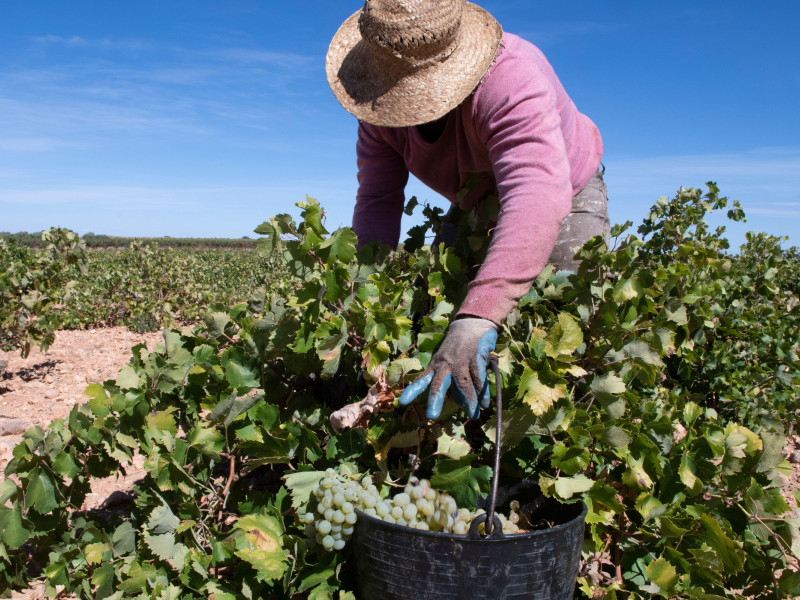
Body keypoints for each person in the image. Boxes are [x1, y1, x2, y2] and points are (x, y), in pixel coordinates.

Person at [326, 0, 608, 421]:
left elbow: (536, 195)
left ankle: (569, 423)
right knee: (431, 305)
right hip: (474, 200)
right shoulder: (378, 107)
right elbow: (377, 202)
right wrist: (359, 296)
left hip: (564, 185)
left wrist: (478, 316)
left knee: (573, 319)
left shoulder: (511, 75)